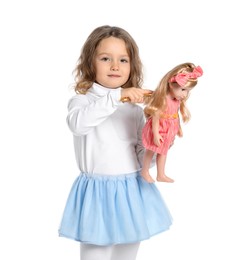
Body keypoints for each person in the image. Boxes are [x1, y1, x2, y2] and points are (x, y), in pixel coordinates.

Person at [58, 25, 173, 260]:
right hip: (96, 194)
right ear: (90, 63)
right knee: (95, 255)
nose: (115, 66)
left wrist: (161, 139)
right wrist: (117, 96)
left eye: (123, 60)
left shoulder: (133, 110)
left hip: (132, 191)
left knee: (126, 255)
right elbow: (78, 125)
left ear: (132, 66)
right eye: (105, 58)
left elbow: (142, 159)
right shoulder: (81, 102)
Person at [141, 62, 203, 183]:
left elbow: (175, 115)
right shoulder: (163, 99)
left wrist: (178, 128)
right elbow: (155, 116)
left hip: (169, 129)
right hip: (159, 128)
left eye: (187, 91)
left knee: (163, 152)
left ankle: (161, 174)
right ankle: (145, 171)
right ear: (171, 83)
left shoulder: (176, 100)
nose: (185, 94)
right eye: (183, 89)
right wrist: (156, 133)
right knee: (151, 150)